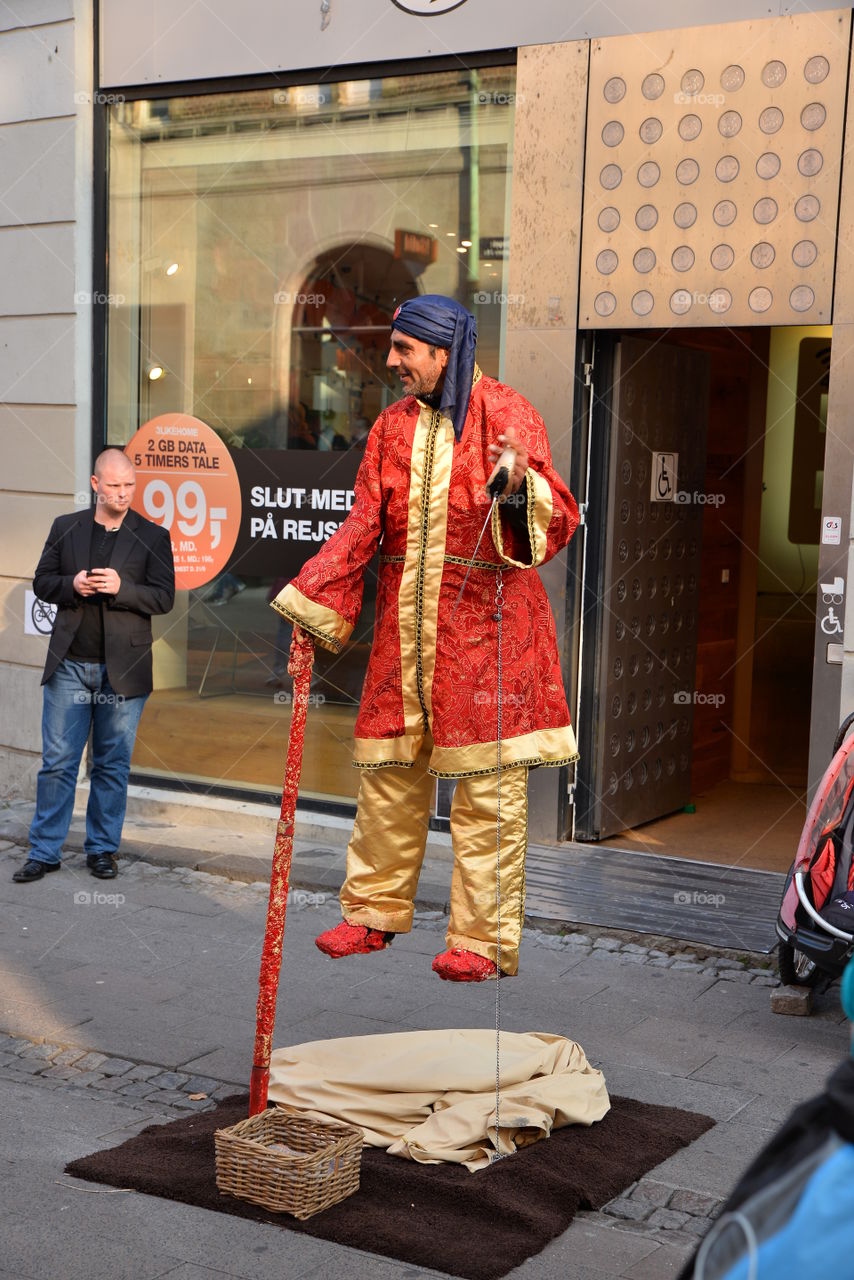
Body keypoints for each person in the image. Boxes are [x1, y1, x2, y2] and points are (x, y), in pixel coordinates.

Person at [272, 295, 579, 981]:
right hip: (404, 636)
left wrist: (515, 488)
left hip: (489, 639)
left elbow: (556, 517)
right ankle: (372, 913)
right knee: (387, 776)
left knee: (488, 793)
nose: (391, 361)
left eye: (404, 349)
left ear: (443, 352)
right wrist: (311, 602)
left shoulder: (508, 412)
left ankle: (482, 941)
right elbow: (363, 523)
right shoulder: (390, 427)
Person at [12, 448, 175, 883]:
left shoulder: (153, 535)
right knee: (58, 762)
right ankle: (44, 852)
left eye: (130, 485)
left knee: (111, 764)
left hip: (123, 670)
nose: (123, 493)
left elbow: (164, 597)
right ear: (95, 484)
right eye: (115, 485)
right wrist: (73, 585)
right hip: (69, 665)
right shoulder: (66, 527)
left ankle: (102, 850)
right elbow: (43, 582)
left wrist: (122, 588)